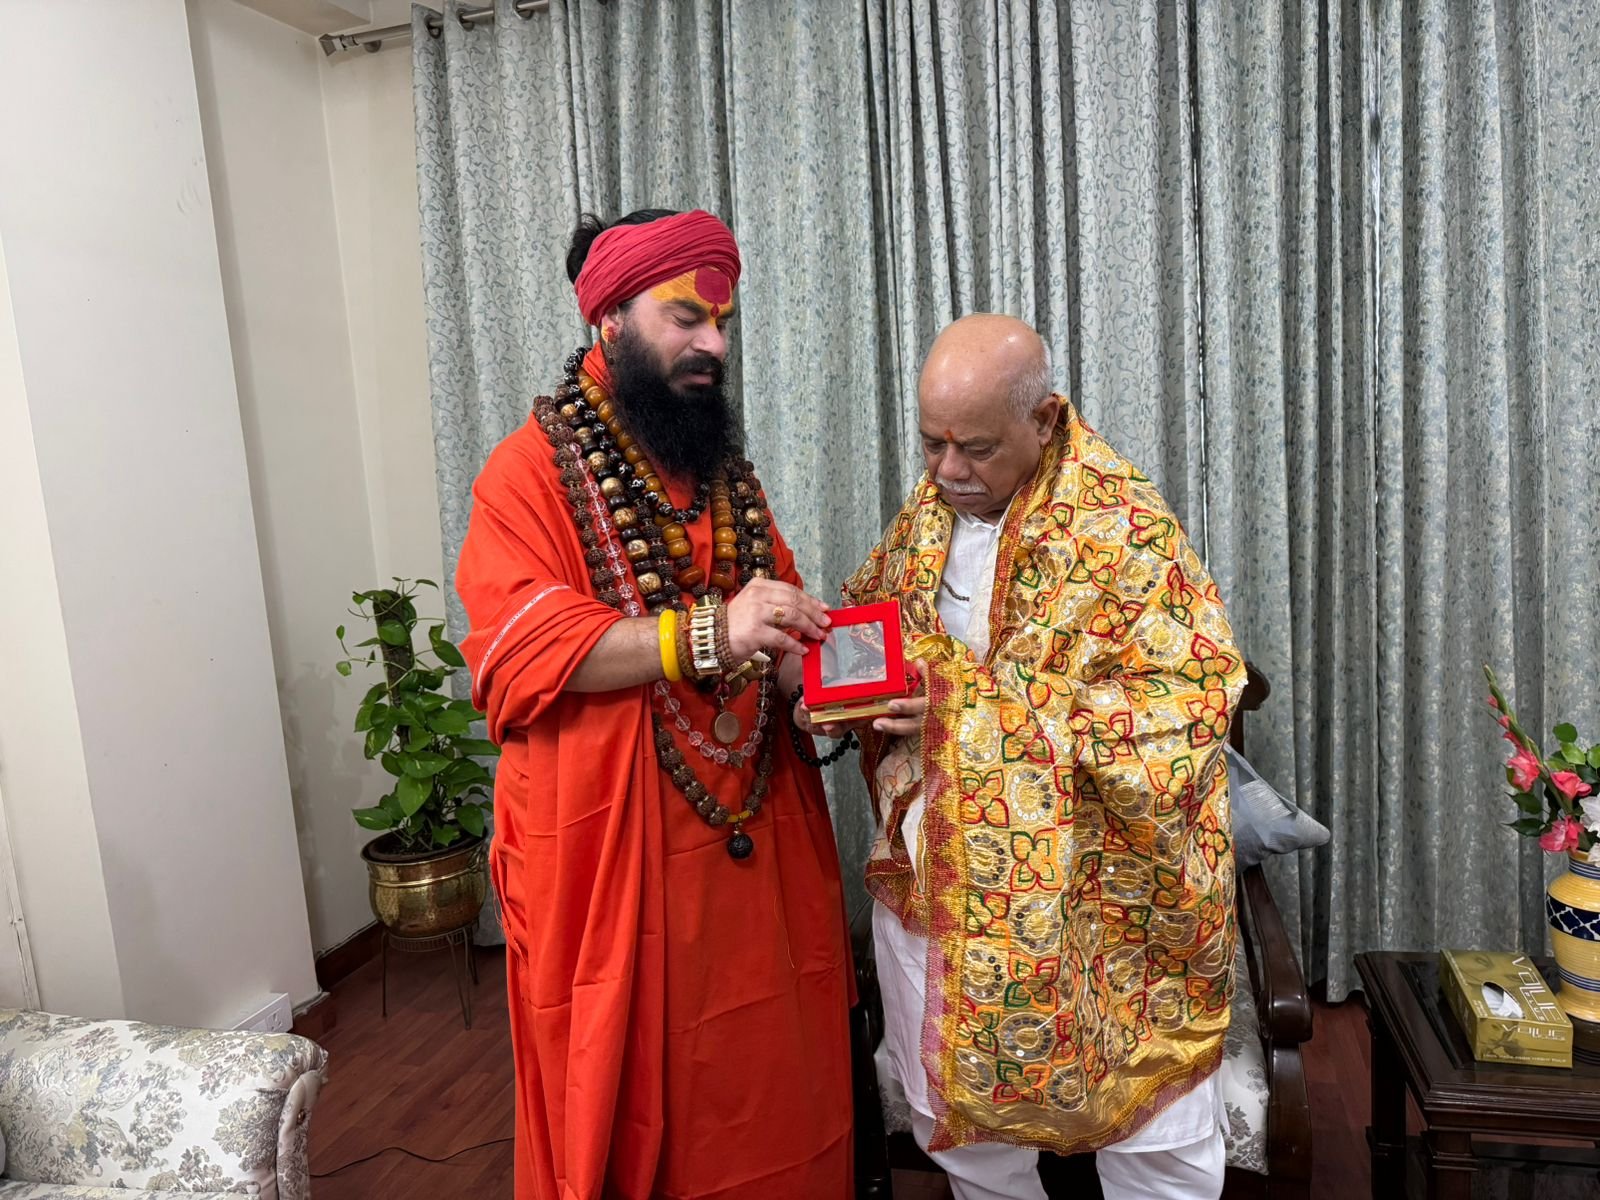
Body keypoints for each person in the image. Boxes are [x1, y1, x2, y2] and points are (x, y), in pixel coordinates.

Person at [457, 208, 853, 1200]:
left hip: (748, 838)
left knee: (768, 1083)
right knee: (639, 1098)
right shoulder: (526, 472)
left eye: (723, 322)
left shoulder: (722, 475)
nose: (714, 343)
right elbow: (519, 651)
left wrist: (823, 693)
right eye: (686, 317)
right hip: (613, 857)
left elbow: (779, 621)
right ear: (609, 320)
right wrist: (709, 634)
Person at [823, 313, 1244, 1199]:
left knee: (1156, 1150)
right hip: (946, 887)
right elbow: (875, 626)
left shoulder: (1124, 530)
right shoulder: (931, 513)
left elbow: (1189, 706)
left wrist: (963, 710)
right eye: (932, 442)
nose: (947, 470)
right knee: (968, 1143)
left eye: (975, 448)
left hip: (1102, 902)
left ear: (1044, 419)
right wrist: (830, 683)